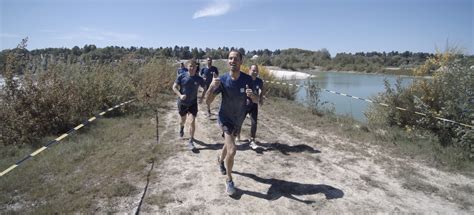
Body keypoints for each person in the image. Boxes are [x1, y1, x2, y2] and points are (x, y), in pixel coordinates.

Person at [206, 50, 259, 196]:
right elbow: (208, 101)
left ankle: (220, 160)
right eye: (230, 58)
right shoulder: (222, 80)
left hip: (238, 119)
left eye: (235, 59)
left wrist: (252, 95)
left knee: (227, 145)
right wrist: (211, 87)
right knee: (232, 150)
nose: (232, 61)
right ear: (228, 61)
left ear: (241, 62)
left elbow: (257, 100)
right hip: (225, 118)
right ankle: (229, 180)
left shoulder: (247, 79)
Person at [172, 59, 205, 150]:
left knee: (192, 121)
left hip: (193, 103)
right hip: (182, 103)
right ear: (187, 67)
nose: (192, 68)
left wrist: (202, 97)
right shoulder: (181, 76)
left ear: (196, 68)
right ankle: (182, 127)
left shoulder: (199, 79)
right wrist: (180, 95)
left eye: (194, 67)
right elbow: (174, 87)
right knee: (183, 120)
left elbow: (205, 88)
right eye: (190, 66)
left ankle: (191, 141)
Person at [240, 64, 264, 150]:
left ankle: (252, 139)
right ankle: (237, 134)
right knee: (240, 121)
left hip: (254, 104)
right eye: (253, 70)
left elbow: (261, 91)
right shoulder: (245, 80)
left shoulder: (259, 81)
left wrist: (261, 99)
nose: (255, 72)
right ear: (249, 70)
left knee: (254, 123)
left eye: (256, 71)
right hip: (244, 104)